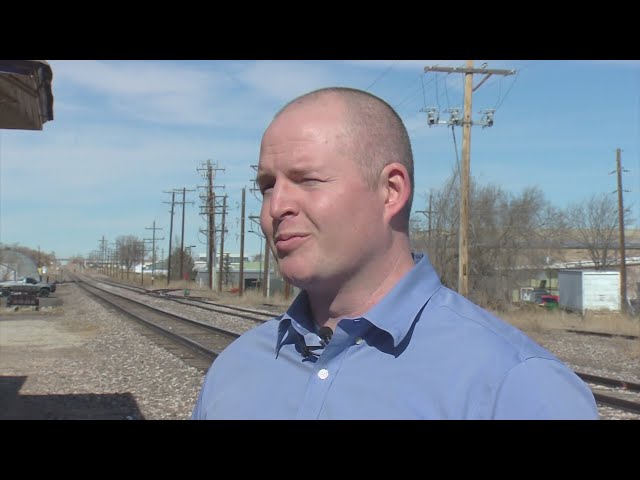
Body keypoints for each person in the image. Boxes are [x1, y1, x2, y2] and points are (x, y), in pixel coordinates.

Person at [192, 86, 599, 420]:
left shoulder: (514, 389)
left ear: (391, 191)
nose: (275, 206)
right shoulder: (234, 370)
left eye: (307, 180)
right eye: (267, 185)